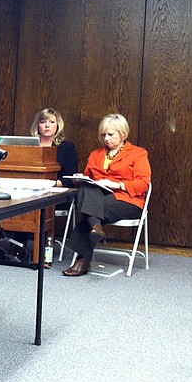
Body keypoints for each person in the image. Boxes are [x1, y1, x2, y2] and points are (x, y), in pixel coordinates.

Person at [62, 113, 151, 276]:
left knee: (87, 208)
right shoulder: (96, 154)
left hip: (128, 200)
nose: (106, 138)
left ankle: (84, 256)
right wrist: (79, 179)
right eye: (103, 135)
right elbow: (88, 178)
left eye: (111, 134)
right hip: (98, 197)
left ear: (123, 134)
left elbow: (143, 183)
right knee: (86, 190)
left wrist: (117, 184)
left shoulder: (138, 153)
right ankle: (96, 228)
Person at [30, 107, 79, 189]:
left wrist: (51, 184)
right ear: (37, 125)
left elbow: (71, 178)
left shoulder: (67, 147)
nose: (47, 125)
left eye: (52, 122)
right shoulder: (29, 146)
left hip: (57, 191)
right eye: (43, 122)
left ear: (58, 125)